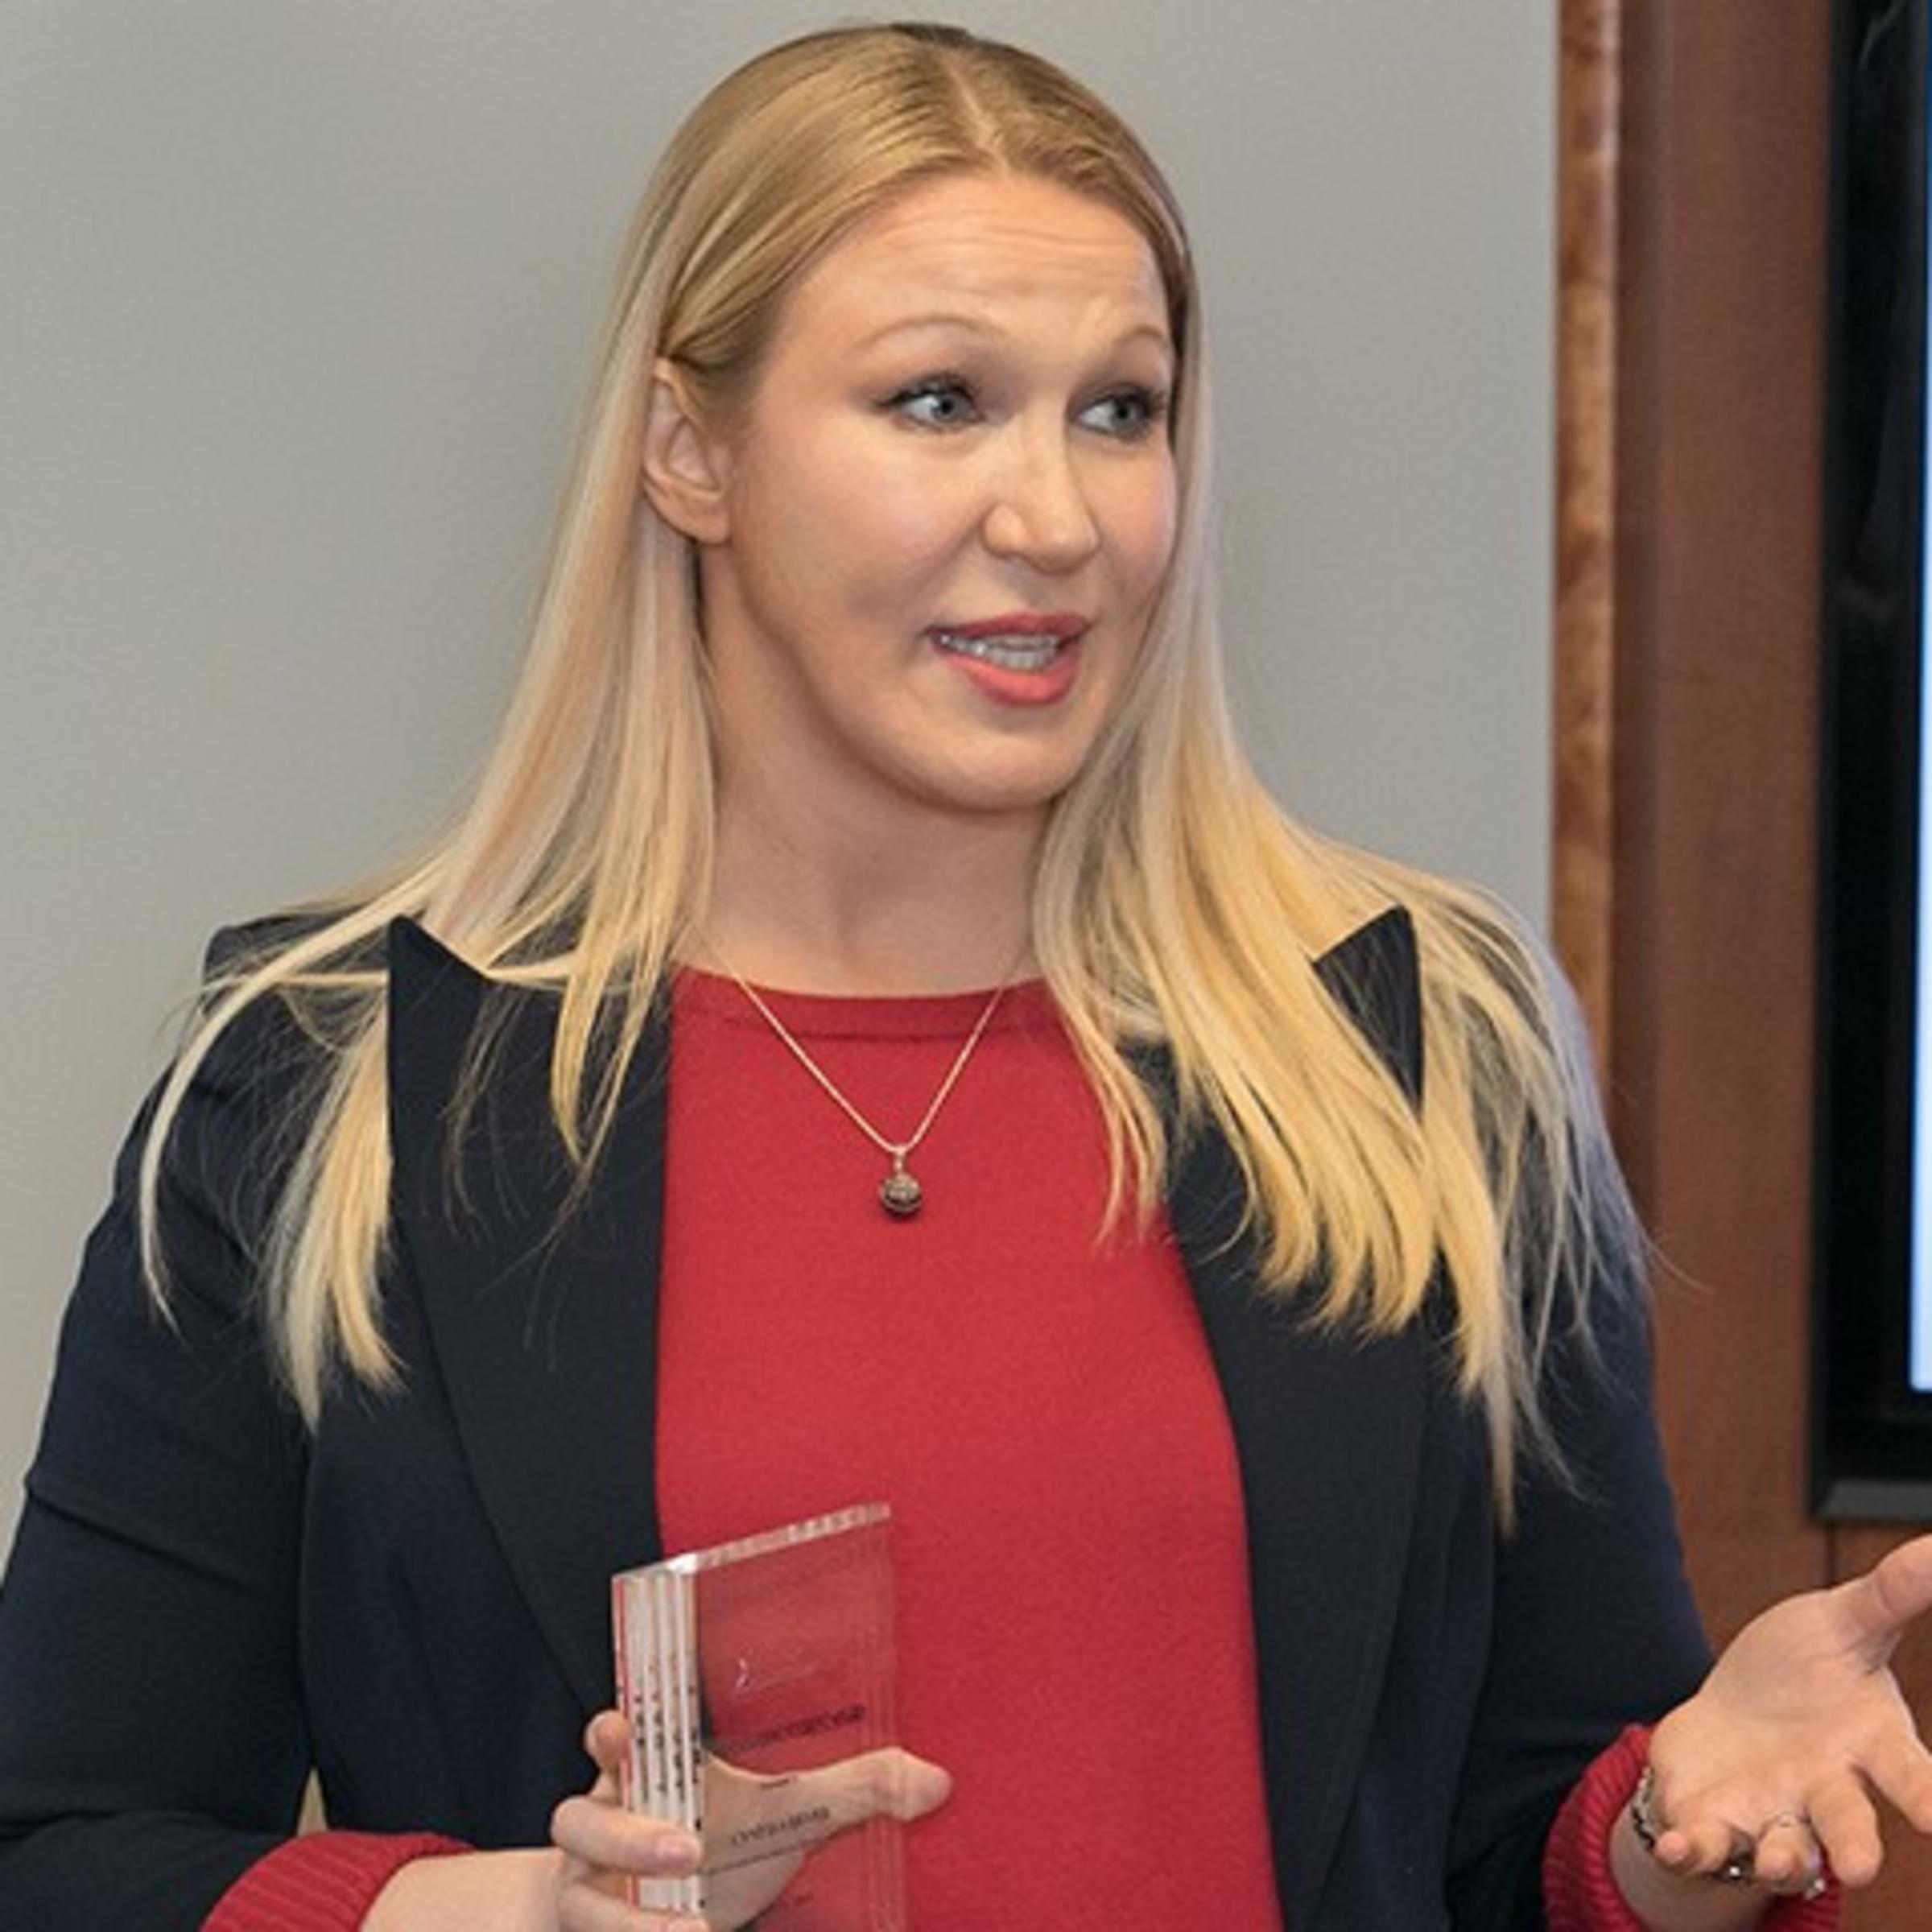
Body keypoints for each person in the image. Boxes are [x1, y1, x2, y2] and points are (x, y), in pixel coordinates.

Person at [1, 19, 1929, 1930]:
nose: (1060, 519)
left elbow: (1537, 1847)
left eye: (1122, 409)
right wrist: (524, 1914)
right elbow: (70, 1849)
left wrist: (1687, 1831)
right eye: (939, 402)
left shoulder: (1425, 1056)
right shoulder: (324, 1092)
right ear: (693, 450)